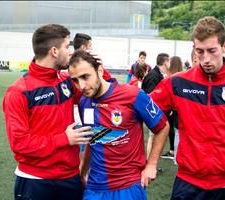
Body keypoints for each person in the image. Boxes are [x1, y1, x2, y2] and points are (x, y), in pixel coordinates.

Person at [150, 16, 225, 199]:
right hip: (187, 182)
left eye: (211, 50)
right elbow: (143, 107)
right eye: (200, 51)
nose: (205, 59)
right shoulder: (177, 83)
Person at [2, 24, 92, 200]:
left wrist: (92, 68)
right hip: (35, 181)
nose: (70, 52)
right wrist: (64, 138)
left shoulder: (66, 81)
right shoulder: (18, 92)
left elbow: (94, 92)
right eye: (67, 47)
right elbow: (20, 143)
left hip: (70, 178)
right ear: (54, 51)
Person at [68, 50, 170, 200]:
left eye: (85, 77)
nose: (81, 86)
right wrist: (83, 172)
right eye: (75, 80)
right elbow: (92, 138)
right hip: (94, 187)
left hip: (128, 186)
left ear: (100, 71)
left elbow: (162, 126)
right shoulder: (84, 102)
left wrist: (151, 165)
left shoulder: (133, 95)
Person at [141, 53, 170, 159]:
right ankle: (149, 162)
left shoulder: (157, 74)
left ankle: (150, 162)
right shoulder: (154, 75)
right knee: (153, 138)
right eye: (169, 61)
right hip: (153, 114)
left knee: (154, 138)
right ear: (165, 62)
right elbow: (151, 97)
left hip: (156, 113)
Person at [160, 56, 183, 160]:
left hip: (174, 109)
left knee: (174, 131)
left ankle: (173, 152)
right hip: (179, 110)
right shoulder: (182, 77)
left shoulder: (172, 78)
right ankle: (174, 152)